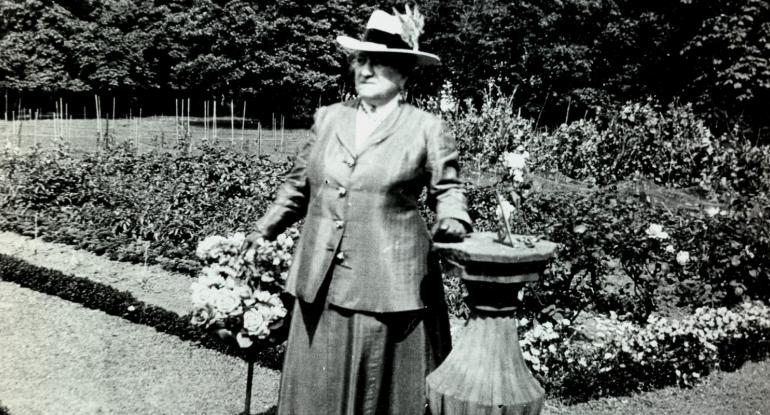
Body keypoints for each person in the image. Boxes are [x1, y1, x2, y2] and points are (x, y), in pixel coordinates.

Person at [244, 7, 472, 415]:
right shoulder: (329, 119)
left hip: (386, 287)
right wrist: (263, 230)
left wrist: (452, 219)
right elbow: (298, 186)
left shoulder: (425, 128)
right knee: (317, 391)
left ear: (403, 74)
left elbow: (448, 189)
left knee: (375, 396)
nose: (365, 70)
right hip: (320, 281)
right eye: (361, 60)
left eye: (379, 62)